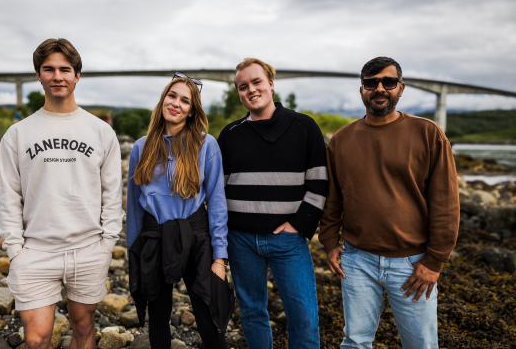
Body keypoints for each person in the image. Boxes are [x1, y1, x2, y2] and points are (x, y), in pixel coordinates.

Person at [319, 56, 460, 348]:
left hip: (413, 264)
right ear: (362, 91)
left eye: (388, 82)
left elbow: (446, 203)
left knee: (420, 344)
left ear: (401, 87)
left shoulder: (428, 133)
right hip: (358, 260)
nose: (379, 89)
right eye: (370, 83)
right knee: (355, 342)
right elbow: (333, 198)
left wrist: (434, 261)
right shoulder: (342, 140)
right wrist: (331, 242)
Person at [0, 38, 122, 349]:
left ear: (77, 76)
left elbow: (112, 192)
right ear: (38, 75)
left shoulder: (100, 131)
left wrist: (106, 243)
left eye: (65, 70)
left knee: (83, 328)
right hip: (36, 251)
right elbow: (10, 194)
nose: (57, 76)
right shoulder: (18, 133)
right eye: (49, 69)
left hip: (87, 248)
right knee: (37, 338)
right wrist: (15, 250)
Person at [218, 58, 328, 348]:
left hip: (288, 240)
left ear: (271, 83)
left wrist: (299, 225)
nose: (251, 90)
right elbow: (219, 190)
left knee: (304, 315)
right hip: (240, 240)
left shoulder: (304, 127)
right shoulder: (230, 134)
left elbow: (319, 183)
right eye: (243, 87)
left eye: (256, 82)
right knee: (253, 312)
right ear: (238, 93)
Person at [127, 72, 233, 349]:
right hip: (154, 236)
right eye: (172, 96)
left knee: (208, 316)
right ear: (163, 100)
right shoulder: (141, 147)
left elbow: (218, 201)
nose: (176, 103)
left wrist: (219, 257)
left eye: (185, 101)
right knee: (158, 318)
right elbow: (134, 204)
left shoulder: (206, 144)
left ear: (191, 110)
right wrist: (133, 252)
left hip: (195, 235)